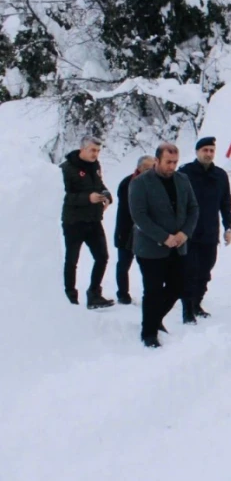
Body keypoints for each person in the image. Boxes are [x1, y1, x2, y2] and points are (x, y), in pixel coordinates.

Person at [129, 143, 199, 348]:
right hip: (150, 248)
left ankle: (153, 318)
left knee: (178, 286)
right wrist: (163, 236)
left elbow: (193, 208)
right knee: (153, 290)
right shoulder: (140, 183)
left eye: (175, 162)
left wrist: (184, 233)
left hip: (178, 245)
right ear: (157, 161)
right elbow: (139, 216)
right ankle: (149, 332)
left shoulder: (182, 179)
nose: (172, 166)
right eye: (168, 162)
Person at [180, 136, 231, 323]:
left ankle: (197, 303)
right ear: (197, 152)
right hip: (189, 233)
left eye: (211, 150)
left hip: (210, 232)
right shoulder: (185, 173)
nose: (208, 154)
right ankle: (187, 310)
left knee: (205, 271)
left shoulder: (220, 175)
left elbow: (226, 202)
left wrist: (228, 226)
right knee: (189, 271)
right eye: (205, 150)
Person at [60, 135, 116, 309]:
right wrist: (87, 198)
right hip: (74, 221)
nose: (95, 154)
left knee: (102, 257)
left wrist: (107, 196)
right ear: (82, 149)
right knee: (72, 260)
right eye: (92, 150)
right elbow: (63, 196)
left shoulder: (95, 166)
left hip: (93, 220)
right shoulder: (66, 168)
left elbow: (100, 185)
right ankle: (70, 296)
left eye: (98, 151)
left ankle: (94, 293)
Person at [114, 155, 155, 305]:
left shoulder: (156, 183)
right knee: (123, 264)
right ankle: (123, 294)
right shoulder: (127, 183)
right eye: (147, 168)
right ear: (139, 168)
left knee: (149, 265)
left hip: (146, 233)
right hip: (126, 231)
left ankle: (151, 293)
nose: (150, 171)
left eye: (152, 168)